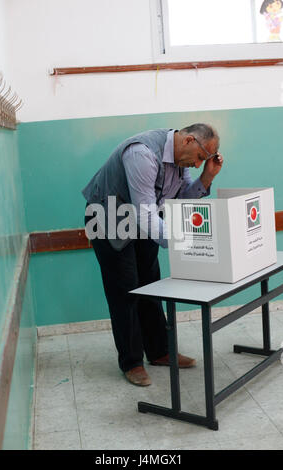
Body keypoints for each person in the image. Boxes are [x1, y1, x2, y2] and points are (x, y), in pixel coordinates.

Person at [82, 124, 223, 386]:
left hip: (141, 218)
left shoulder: (181, 161)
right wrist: (184, 244)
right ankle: (131, 362)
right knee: (125, 288)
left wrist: (207, 177)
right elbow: (146, 214)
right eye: (201, 157)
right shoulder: (142, 154)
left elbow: (181, 203)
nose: (198, 163)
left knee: (151, 283)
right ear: (190, 140)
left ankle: (160, 352)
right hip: (109, 217)